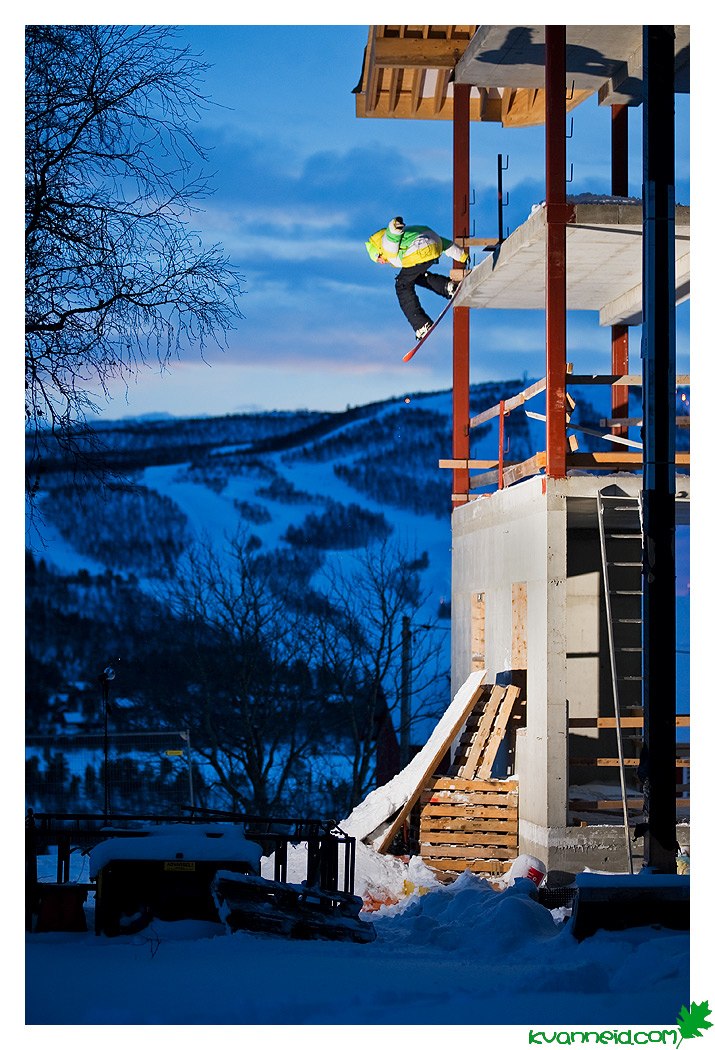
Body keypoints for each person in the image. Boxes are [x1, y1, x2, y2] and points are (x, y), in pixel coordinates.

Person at [365, 217, 469, 338]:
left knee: (401, 285)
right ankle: (448, 287)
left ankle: (421, 325)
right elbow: (444, 243)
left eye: (378, 258)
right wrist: (462, 256)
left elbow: (391, 234)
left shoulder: (386, 245)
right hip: (434, 243)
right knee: (415, 276)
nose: (382, 262)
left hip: (419, 250)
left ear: (379, 250)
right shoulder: (408, 235)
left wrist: (395, 224)